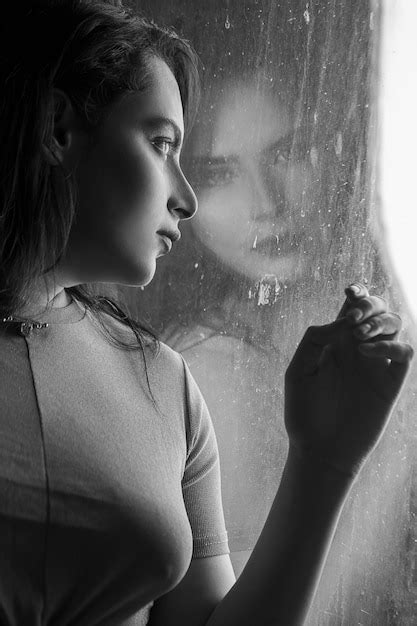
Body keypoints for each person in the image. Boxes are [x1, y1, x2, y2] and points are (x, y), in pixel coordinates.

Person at [0, 2, 412, 626]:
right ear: (59, 128)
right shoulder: (195, 364)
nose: (184, 198)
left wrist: (324, 461)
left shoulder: (163, 381)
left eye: (290, 151)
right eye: (162, 143)